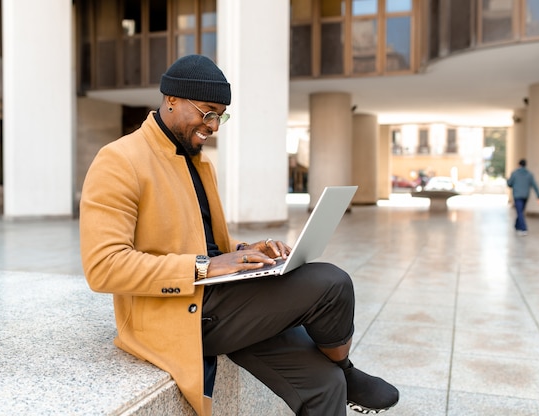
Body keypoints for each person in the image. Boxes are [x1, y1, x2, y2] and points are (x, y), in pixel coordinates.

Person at [80, 54, 399, 416]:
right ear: (171, 99)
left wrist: (248, 252)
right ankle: (346, 368)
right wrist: (207, 267)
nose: (213, 126)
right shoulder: (119, 160)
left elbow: (206, 244)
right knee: (331, 282)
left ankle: (341, 375)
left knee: (325, 386)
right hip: (178, 310)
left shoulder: (199, 163)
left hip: (220, 299)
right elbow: (103, 267)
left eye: (220, 116)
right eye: (208, 112)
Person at [507, 159, 539, 236]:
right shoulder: (529, 174)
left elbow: (509, 184)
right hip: (525, 196)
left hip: (517, 196)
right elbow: (535, 185)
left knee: (519, 212)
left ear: (518, 164)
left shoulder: (515, 173)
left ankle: (523, 228)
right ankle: (516, 226)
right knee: (520, 211)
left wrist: (508, 180)